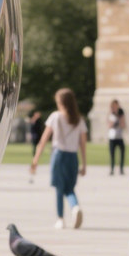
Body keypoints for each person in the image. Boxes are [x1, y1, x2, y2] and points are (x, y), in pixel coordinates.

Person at [31, 87, 87, 229]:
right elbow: (83, 144)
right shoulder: (79, 120)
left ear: (60, 102)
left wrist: (35, 160)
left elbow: (43, 140)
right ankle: (75, 207)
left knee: (59, 189)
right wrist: (84, 164)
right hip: (72, 157)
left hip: (59, 155)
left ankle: (61, 219)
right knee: (70, 188)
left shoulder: (55, 116)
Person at [107, 99, 126, 175]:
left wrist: (120, 117)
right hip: (112, 137)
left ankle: (121, 169)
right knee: (112, 155)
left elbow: (123, 125)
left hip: (119, 137)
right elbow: (109, 125)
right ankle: (112, 169)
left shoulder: (121, 114)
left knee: (122, 154)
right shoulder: (111, 115)